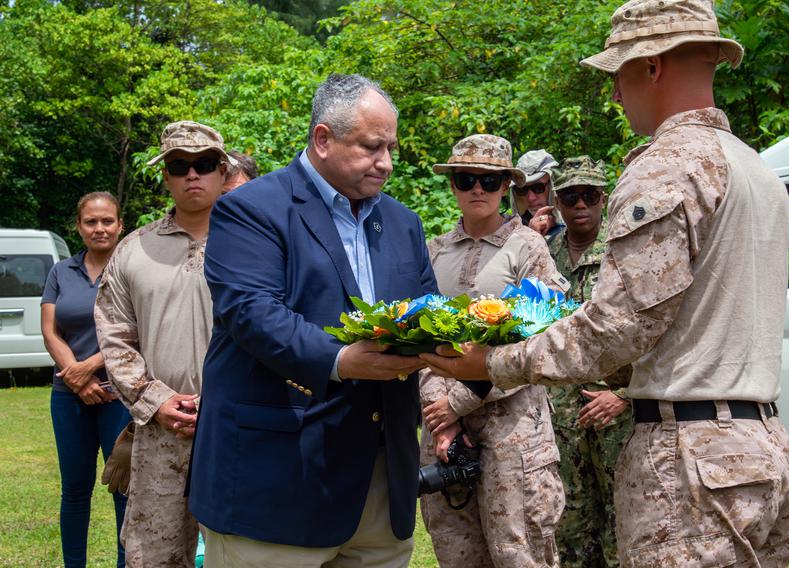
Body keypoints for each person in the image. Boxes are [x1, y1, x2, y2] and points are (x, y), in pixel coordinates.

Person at [421, 0, 789, 566]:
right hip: (765, 448)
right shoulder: (756, 168)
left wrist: (487, 364)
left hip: (693, 463)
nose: (615, 93)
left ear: (651, 64)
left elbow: (615, 329)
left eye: (618, 73)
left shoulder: (667, 167)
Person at [188, 73, 436, 567]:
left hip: (381, 491)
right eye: (371, 147)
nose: (385, 162)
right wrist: (342, 359)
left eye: (391, 147)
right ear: (322, 139)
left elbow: (426, 310)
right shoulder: (249, 210)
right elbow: (252, 312)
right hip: (277, 486)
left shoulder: (404, 222)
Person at [420, 134, 568, 568]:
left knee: (520, 553)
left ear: (507, 185)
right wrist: (438, 413)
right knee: (455, 551)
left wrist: (460, 401)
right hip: (443, 431)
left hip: (513, 427)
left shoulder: (528, 247)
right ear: (453, 185)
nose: (477, 190)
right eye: (466, 180)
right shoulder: (433, 251)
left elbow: (540, 337)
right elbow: (418, 335)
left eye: (489, 180)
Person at [95, 120, 230, 567]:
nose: (192, 174)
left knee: (244, 555)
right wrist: (156, 399)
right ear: (165, 174)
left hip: (238, 428)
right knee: (155, 556)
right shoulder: (133, 250)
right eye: (179, 165)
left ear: (223, 170)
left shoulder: (258, 245)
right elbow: (115, 337)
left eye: (204, 164)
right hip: (160, 432)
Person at [545, 156, 632, 568]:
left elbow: (655, 333)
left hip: (616, 415)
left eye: (590, 195)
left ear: (604, 198)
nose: (581, 204)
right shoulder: (544, 256)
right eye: (570, 195)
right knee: (570, 523)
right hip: (559, 416)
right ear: (557, 201)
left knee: (623, 523)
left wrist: (623, 396)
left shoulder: (626, 252)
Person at [40, 191, 131, 568]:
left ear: (120, 225)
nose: (100, 228)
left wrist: (90, 367)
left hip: (118, 396)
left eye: (107, 221)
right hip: (69, 397)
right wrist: (77, 379)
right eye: (91, 222)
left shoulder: (131, 268)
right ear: (79, 227)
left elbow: (135, 330)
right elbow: (50, 331)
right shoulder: (61, 272)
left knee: (123, 489)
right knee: (74, 490)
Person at [509, 149, 563, 240]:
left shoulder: (577, 221)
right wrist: (530, 236)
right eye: (522, 190)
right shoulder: (509, 230)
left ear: (553, 185)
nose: (530, 198)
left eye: (538, 188)